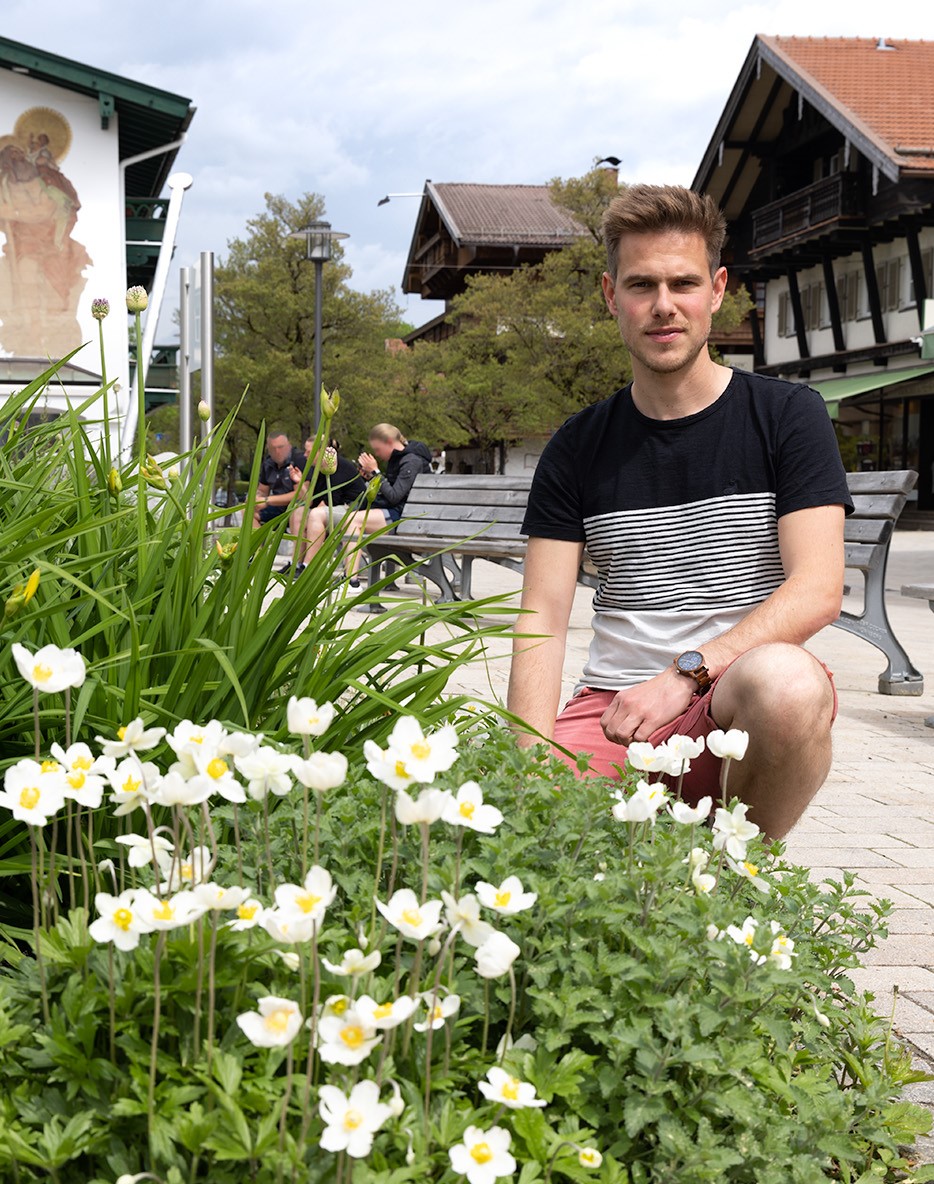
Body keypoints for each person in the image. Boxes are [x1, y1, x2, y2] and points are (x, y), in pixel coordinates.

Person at [507, 184, 852, 841]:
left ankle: (739, 878)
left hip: (735, 706)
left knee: (788, 681)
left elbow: (818, 589)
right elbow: (541, 619)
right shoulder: (577, 448)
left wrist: (686, 673)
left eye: (683, 283)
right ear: (612, 297)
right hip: (614, 711)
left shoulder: (787, 416)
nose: (663, 306)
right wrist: (523, 767)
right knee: (533, 841)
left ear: (716, 289)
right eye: (641, 285)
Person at [342, 424, 432, 586]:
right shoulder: (399, 458)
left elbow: (395, 496)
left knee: (354, 520)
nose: (377, 454)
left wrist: (376, 472)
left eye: (377, 449)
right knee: (352, 518)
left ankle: (351, 582)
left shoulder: (411, 461)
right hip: (400, 514)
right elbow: (391, 491)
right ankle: (349, 578)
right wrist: (371, 477)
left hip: (409, 520)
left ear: (389, 441)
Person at [286, 437, 368, 576]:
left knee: (315, 515)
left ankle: (308, 566)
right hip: (335, 508)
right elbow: (310, 501)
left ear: (320, 452)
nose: (305, 455)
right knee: (298, 512)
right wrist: (299, 482)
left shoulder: (337, 466)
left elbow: (331, 501)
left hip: (352, 509)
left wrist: (310, 516)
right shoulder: (317, 468)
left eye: (308, 451)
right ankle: (296, 564)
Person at [252, 432, 305, 528]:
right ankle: (256, 542)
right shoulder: (268, 464)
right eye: (273, 448)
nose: (277, 451)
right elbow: (262, 491)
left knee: (297, 512)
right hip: (276, 507)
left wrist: (267, 500)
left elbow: (301, 496)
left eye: (280, 447)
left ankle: (296, 543)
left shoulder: (299, 460)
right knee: (248, 510)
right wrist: (255, 498)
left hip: (295, 507)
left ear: (289, 446)